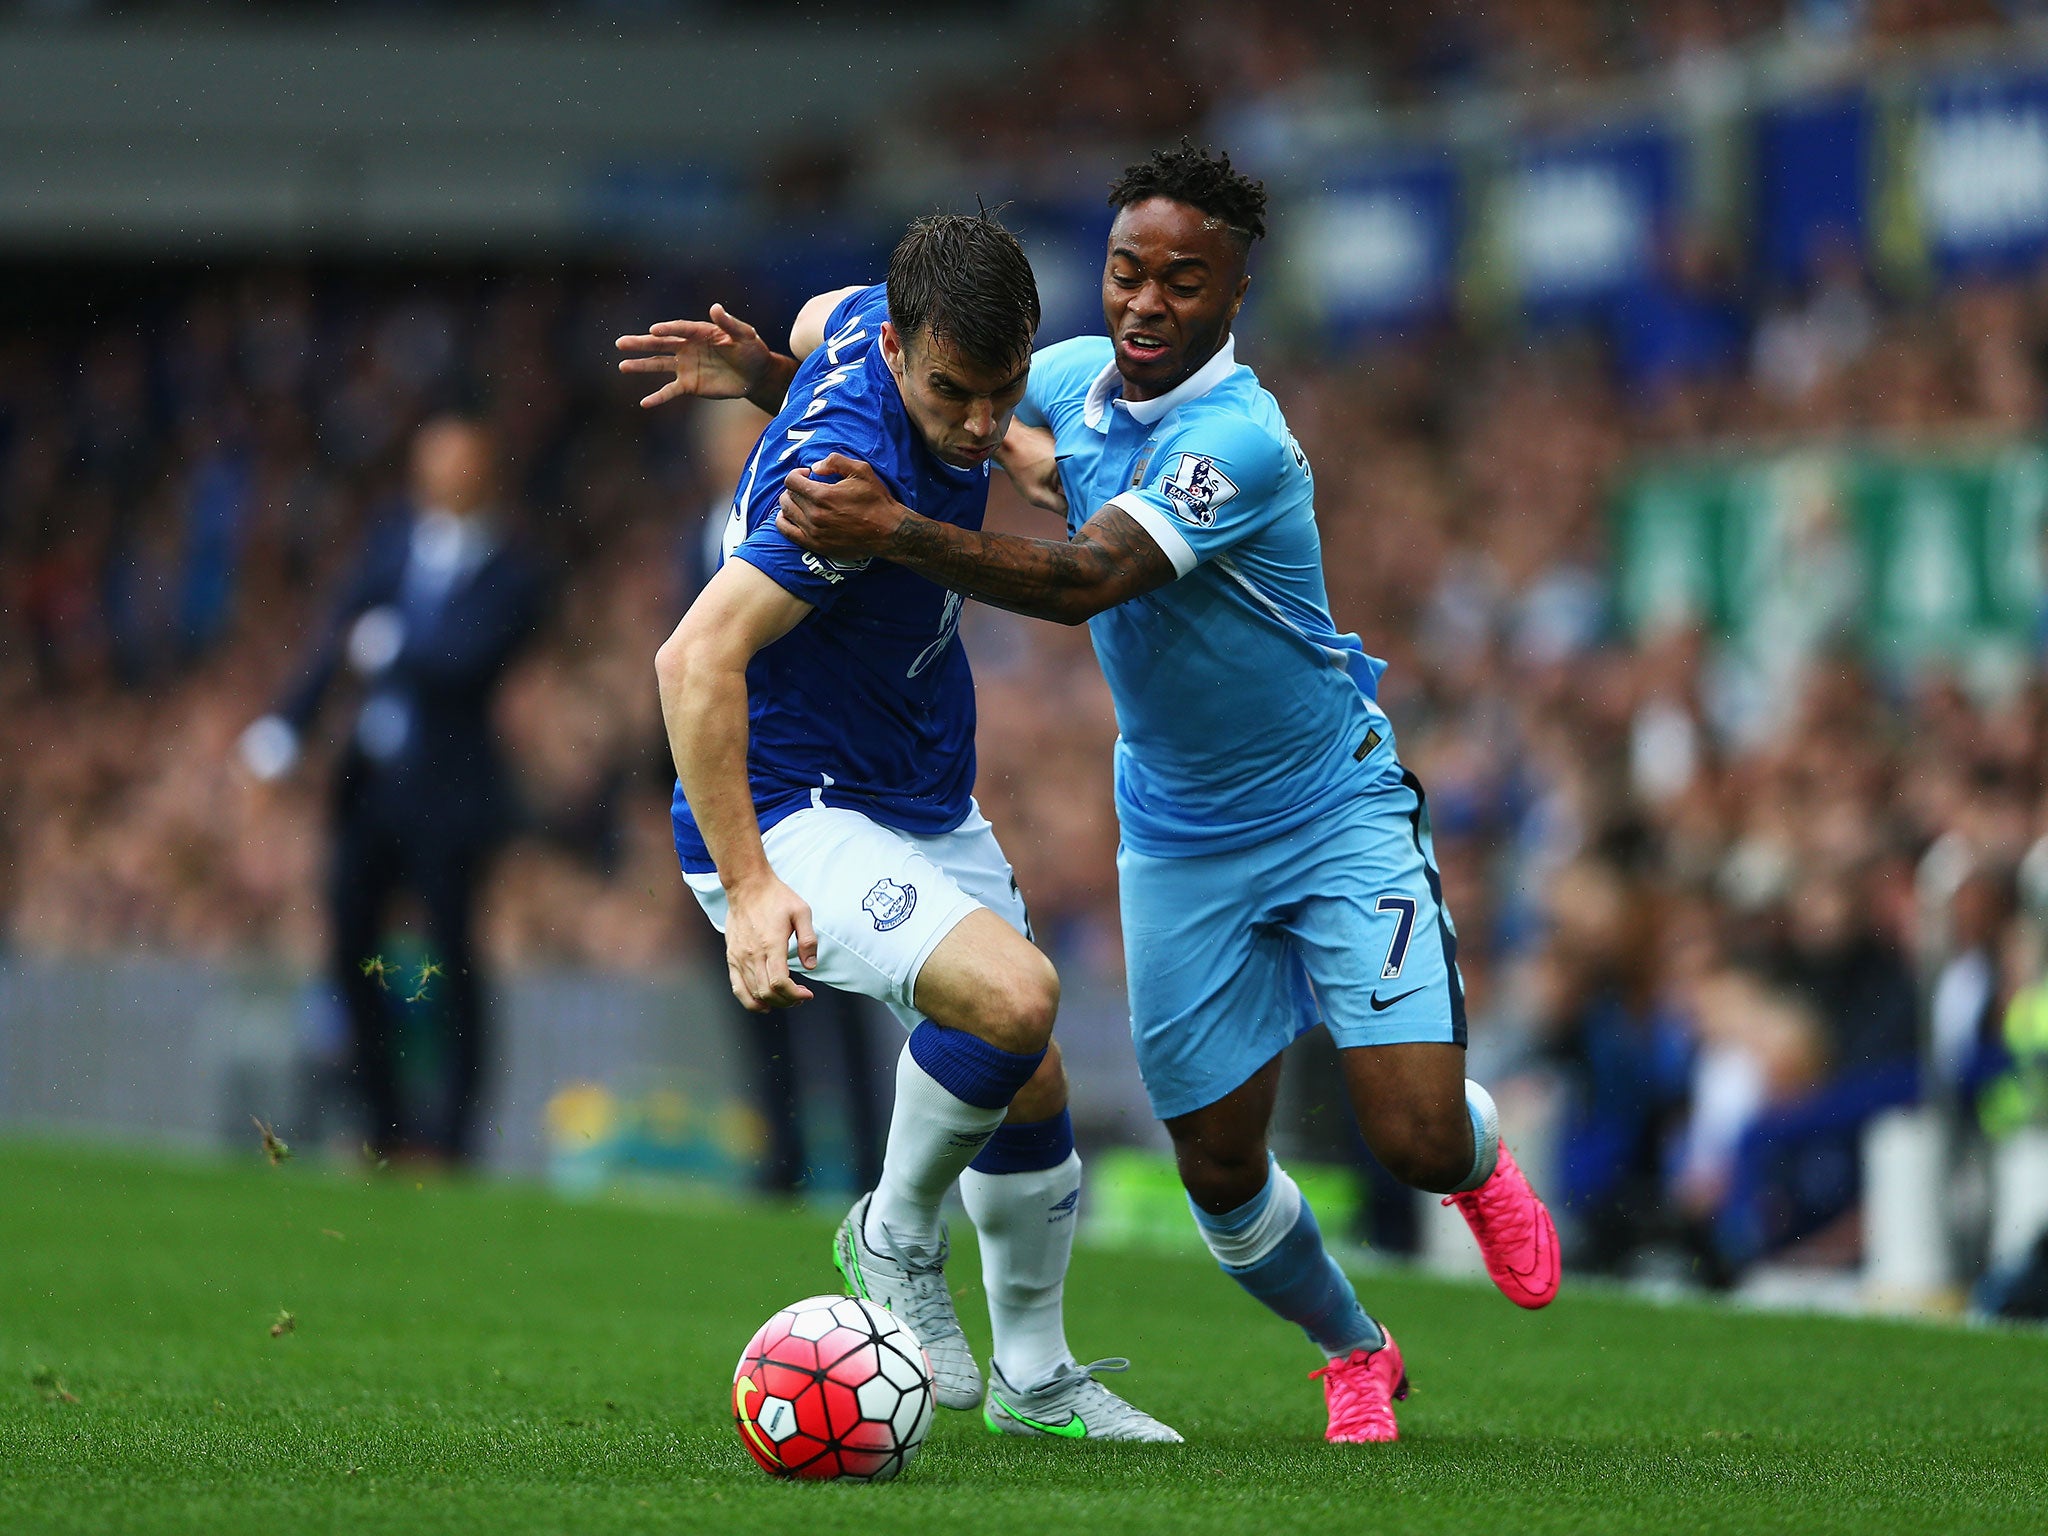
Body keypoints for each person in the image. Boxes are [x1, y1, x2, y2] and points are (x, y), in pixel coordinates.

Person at [774, 144, 1562, 1444]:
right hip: (1179, 836)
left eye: (1181, 282)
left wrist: (896, 535)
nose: (1144, 303)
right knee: (1219, 1168)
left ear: (1236, 292)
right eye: (1127, 272)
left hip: (1329, 808)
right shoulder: (1074, 380)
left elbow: (1085, 579)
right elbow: (927, 396)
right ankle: (1355, 1348)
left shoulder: (1239, 443)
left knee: (1412, 1136)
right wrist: (769, 377)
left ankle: (1474, 1164)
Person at [618, 212, 1176, 1442]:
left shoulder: (867, 312)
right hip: (793, 806)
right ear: (908, 349)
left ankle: (1035, 1379)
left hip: (916, 785)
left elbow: (819, 325)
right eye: (957, 396)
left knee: (1025, 1069)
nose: (982, 424)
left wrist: (765, 372)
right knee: (1015, 998)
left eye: (1005, 390)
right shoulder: (839, 480)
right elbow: (690, 658)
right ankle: (888, 1234)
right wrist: (753, 889)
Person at [239, 416, 545, 1163]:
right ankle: (383, 1121)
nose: (443, 478)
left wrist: (393, 642)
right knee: (348, 946)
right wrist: (284, 728)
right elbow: (334, 636)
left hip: (448, 798)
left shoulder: (514, 568)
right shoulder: (392, 544)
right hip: (369, 789)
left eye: (459, 464)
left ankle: (451, 1137)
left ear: (484, 474)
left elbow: (465, 659)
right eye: (433, 463)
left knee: (453, 961)